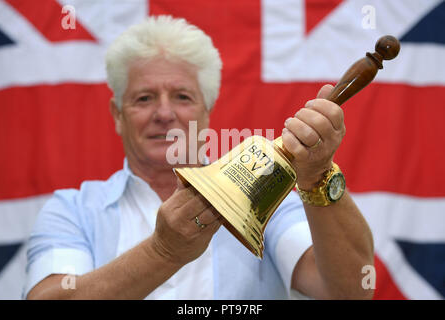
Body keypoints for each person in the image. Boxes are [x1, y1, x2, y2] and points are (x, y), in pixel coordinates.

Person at [24, 15, 374, 300]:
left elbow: (352, 291)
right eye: (144, 98)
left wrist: (317, 176)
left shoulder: (272, 201)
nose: (164, 113)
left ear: (206, 113)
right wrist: (162, 253)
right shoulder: (73, 210)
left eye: (182, 97)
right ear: (118, 115)